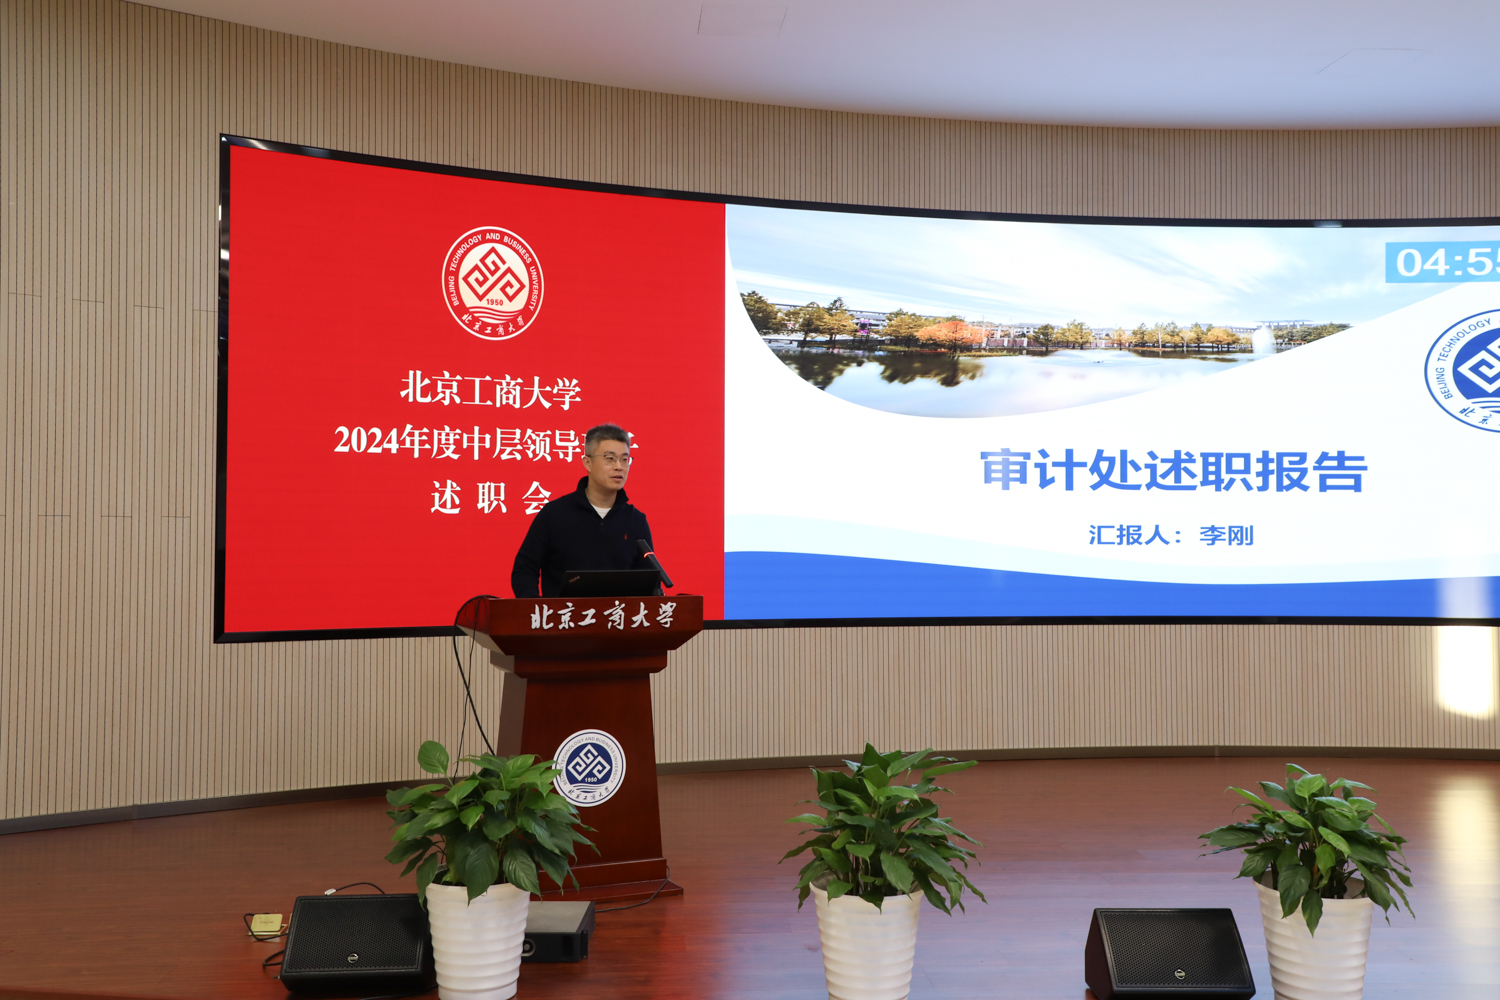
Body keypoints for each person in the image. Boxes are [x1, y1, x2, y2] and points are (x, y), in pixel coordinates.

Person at [510, 423, 656, 598]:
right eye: (610, 458)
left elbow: (648, 580)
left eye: (625, 459)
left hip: (617, 614)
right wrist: (535, 607)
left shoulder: (635, 520)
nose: (619, 466)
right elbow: (524, 568)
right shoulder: (554, 514)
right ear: (588, 463)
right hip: (563, 614)